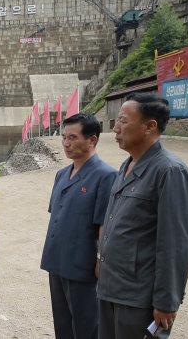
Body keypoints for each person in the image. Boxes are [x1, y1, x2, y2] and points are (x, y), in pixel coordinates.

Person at [97, 93, 188, 338]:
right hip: (112, 288)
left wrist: (166, 300)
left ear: (150, 126)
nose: (115, 128)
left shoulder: (170, 171)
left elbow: (176, 243)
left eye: (123, 121)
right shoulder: (127, 165)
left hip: (138, 297)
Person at [40, 113, 117, 339]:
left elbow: (105, 224)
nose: (66, 143)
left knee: (86, 326)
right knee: (62, 325)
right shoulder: (62, 174)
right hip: (57, 262)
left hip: (82, 266)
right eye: (64, 137)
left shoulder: (106, 176)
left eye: (73, 137)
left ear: (92, 140)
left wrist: (101, 261)